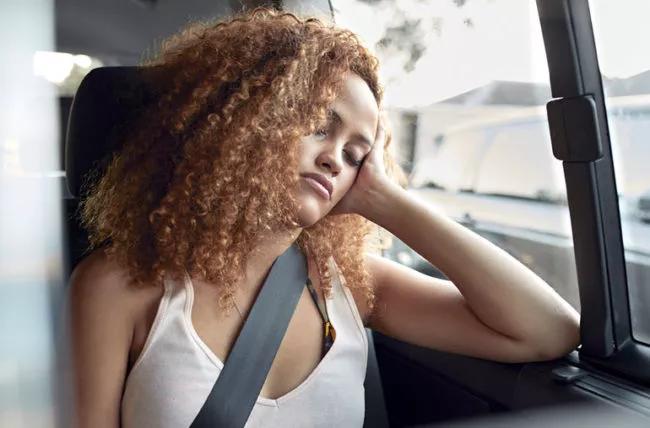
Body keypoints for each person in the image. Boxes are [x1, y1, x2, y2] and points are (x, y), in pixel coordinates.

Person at [66, 6, 581, 428]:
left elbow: (547, 330)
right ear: (244, 124)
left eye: (357, 154)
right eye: (318, 126)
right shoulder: (120, 285)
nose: (337, 158)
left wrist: (389, 202)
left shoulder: (348, 286)